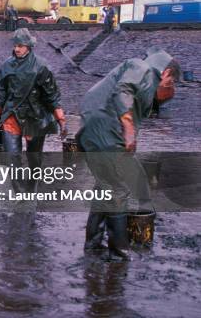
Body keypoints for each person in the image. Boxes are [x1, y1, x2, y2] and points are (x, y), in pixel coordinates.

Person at [76, 46, 180, 260]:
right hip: (104, 128)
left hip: (95, 128)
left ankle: (93, 244)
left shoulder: (147, 83)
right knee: (117, 190)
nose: (171, 86)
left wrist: (166, 93)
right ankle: (118, 253)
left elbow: (147, 103)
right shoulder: (141, 67)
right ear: (166, 72)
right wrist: (129, 127)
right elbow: (123, 90)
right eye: (171, 81)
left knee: (105, 186)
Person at [0, 27, 67, 169]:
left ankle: (33, 186)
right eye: (15, 46)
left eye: (20, 46)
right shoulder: (6, 65)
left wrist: (61, 119)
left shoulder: (41, 66)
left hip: (35, 116)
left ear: (28, 46)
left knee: (34, 158)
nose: (16, 49)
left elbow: (51, 94)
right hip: (12, 114)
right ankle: (19, 189)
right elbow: (2, 92)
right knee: (12, 159)